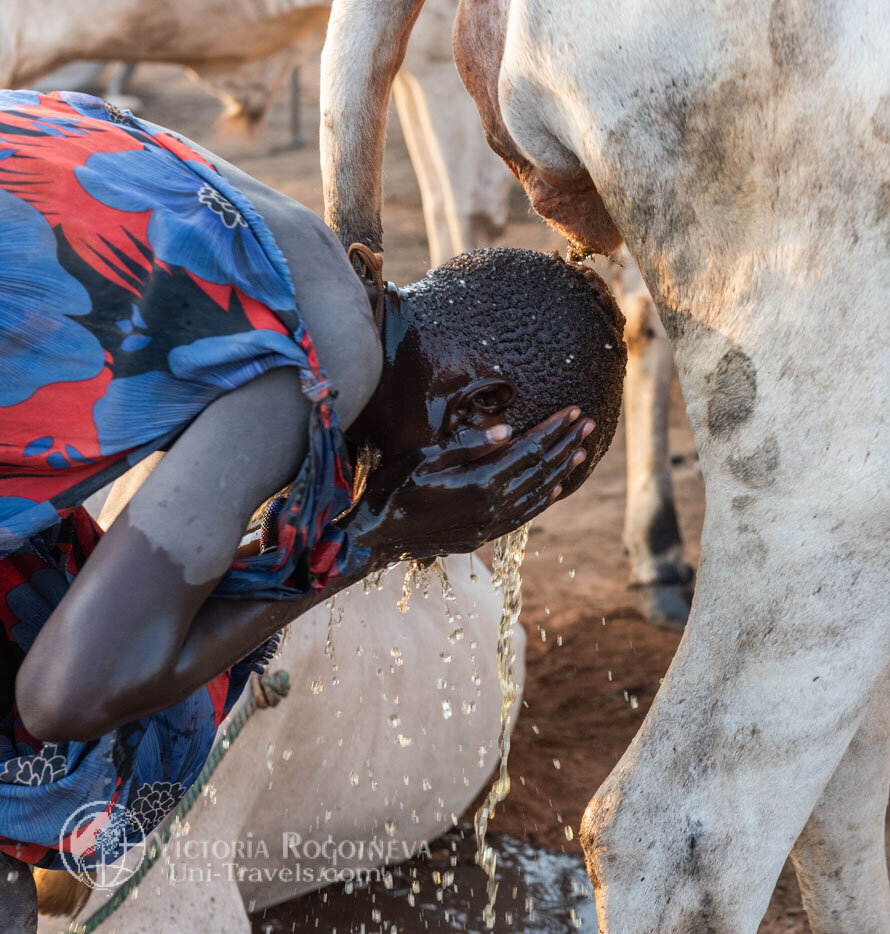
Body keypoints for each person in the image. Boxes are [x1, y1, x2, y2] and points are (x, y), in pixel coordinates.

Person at [0, 90, 625, 930]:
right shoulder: (319, 357)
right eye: (487, 507)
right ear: (480, 409)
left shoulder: (282, 245)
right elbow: (61, 700)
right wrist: (371, 541)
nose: (457, 534)